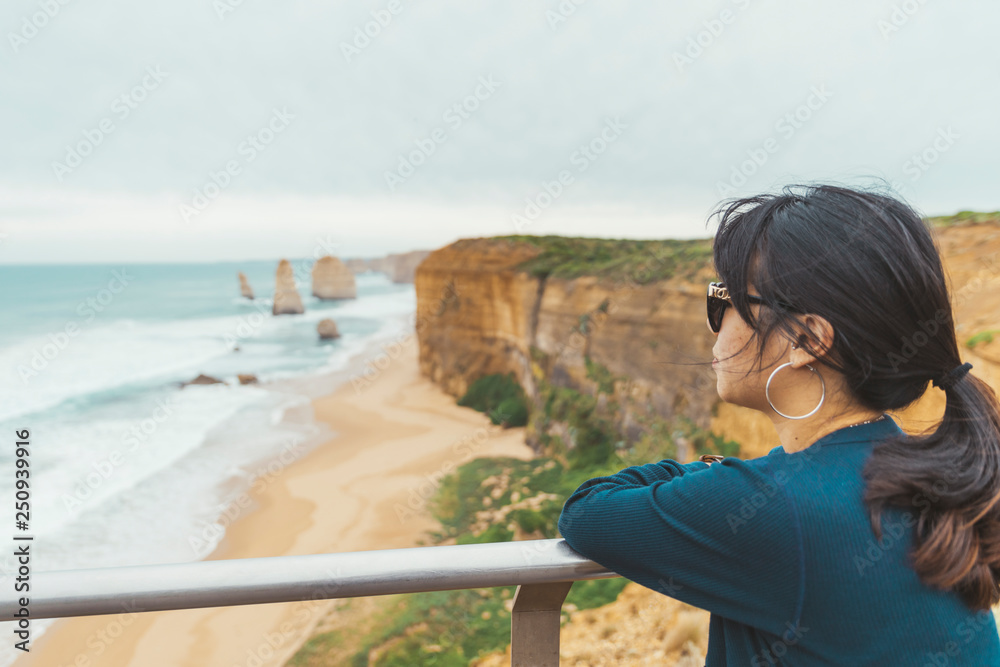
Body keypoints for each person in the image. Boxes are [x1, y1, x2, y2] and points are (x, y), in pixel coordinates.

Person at [557, 184, 1000, 665]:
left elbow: (587, 513)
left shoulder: (781, 506)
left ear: (807, 340)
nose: (716, 324)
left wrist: (718, 476)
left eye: (723, 300)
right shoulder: (920, 472)